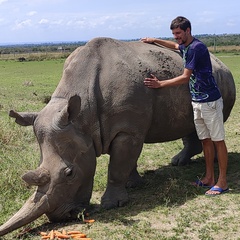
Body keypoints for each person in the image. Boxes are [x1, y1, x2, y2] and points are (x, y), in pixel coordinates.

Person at [141, 16, 229, 196]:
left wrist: (160, 84)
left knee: (217, 141)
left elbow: (185, 77)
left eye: (179, 33)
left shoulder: (197, 48)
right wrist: (154, 40)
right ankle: (209, 178)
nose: (176, 37)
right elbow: (175, 47)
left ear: (188, 30)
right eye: (174, 33)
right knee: (205, 140)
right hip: (197, 101)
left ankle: (222, 181)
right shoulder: (186, 46)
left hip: (210, 101)